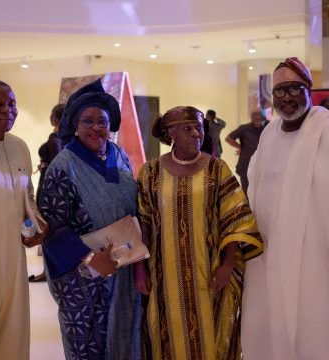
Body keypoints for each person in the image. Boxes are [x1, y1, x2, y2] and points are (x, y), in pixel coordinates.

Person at [135, 106, 263, 360]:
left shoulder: (218, 170)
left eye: (198, 127)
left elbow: (234, 218)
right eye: (187, 128)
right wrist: (140, 268)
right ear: (171, 133)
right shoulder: (150, 173)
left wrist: (227, 265)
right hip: (164, 277)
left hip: (209, 274)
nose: (196, 134)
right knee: (167, 335)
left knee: (211, 335)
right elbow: (144, 222)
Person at [39, 78, 141, 360]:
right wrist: (90, 259)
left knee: (124, 338)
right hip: (82, 277)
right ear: (75, 124)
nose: (97, 127)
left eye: (103, 121)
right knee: (88, 346)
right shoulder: (63, 165)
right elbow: (53, 226)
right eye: (88, 121)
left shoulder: (119, 155)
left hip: (123, 268)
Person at [241, 57, 329, 360]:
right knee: (271, 329)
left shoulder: (325, 128)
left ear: (308, 89)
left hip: (313, 255)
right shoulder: (269, 134)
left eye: (294, 88)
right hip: (269, 254)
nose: (287, 97)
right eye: (280, 91)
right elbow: (254, 188)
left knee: (312, 328)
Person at [0, 80, 48, 360]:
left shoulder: (20, 147)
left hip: (13, 264)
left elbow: (27, 199)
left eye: (12, 104)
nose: (8, 110)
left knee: (13, 340)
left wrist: (37, 224)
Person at [28, 103, 65, 283]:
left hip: (49, 184)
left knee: (47, 226)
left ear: (55, 118)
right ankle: (48, 271)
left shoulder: (55, 137)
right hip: (51, 183)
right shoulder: (64, 137)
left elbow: (56, 162)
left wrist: (44, 166)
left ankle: (48, 272)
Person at [225, 110, 268, 195]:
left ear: (263, 117)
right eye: (253, 115)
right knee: (247, 191)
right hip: (246, 165)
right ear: (251, 117)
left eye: (258, 115)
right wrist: (240, 147)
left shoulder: (268, 128)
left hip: (264, 166)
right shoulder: (244, 128)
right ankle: (247, 207)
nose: (256, 117)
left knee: (262, 192)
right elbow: (229, 138)